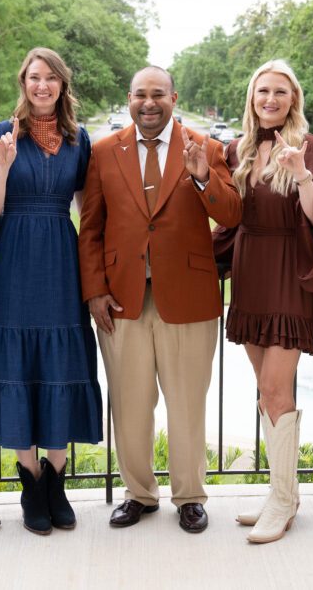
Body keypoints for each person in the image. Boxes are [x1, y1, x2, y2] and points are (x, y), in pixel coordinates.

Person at [78, 66, 242, 533]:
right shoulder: (105, 151)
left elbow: (232, 212)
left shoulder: (206, 148)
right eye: (140, 96)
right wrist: (94, 290)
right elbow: (90, 227)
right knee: (130, 402)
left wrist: (202, 177)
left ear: (174, 96)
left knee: (187, 401)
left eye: (158, 95)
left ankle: (189, 496)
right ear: (129, 98)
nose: (149, 104)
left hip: (188, 298)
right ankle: (139, 494)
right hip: (121, 299)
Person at [0, 47, 102, 535]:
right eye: (33, 78)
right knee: (17, 363)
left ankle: (58, 482)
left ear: (62, 85)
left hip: (61, 261)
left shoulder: (78, 140)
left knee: (60, 363)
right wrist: (1, 166)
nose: (42, 86)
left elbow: (89, 211)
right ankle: (30, 480)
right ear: (23, 82)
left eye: (51, 79)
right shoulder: (0, 135)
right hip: (14, 258)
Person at [212, 60, 313, 544]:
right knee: (268, 391)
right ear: (252, 97)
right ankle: (282, 494)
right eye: (262, 91)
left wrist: (303, 177)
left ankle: (283, 501)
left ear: (293, 99)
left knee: (274, 387)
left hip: (288, 272)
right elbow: (227, 216)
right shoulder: (237, 149)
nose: (270, 99)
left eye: (280, 92)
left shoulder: (309, 147)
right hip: (249, 275)